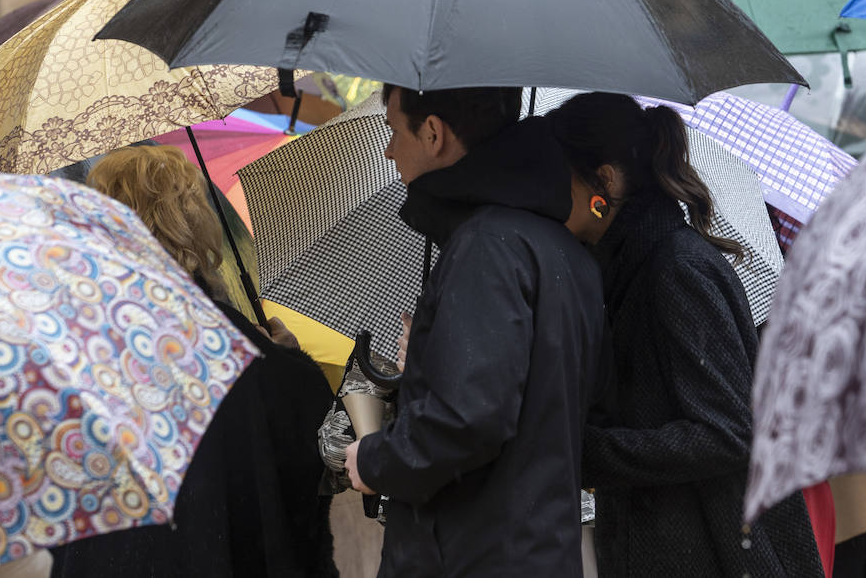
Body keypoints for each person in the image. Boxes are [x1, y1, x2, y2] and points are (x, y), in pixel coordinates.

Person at [547, 93, 822, 578]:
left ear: (603, 182)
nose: (544, 192)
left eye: (556, 175)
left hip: (714, 551)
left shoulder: (674, 268)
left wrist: (589, 452)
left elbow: (727, 432)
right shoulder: (629, 267)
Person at [344, 85, 605, 577]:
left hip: (471, 555)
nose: (389, 151)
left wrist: (376, 460)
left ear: (434, 133)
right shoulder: (562, 249)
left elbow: (469, 418)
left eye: (394, 132)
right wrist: (430, 356)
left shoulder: (487, 246)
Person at [51, 144, 337, 578]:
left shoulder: (76, 358)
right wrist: (287, 362)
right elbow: (314, 454)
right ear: (193, 223)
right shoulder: (246, 355)